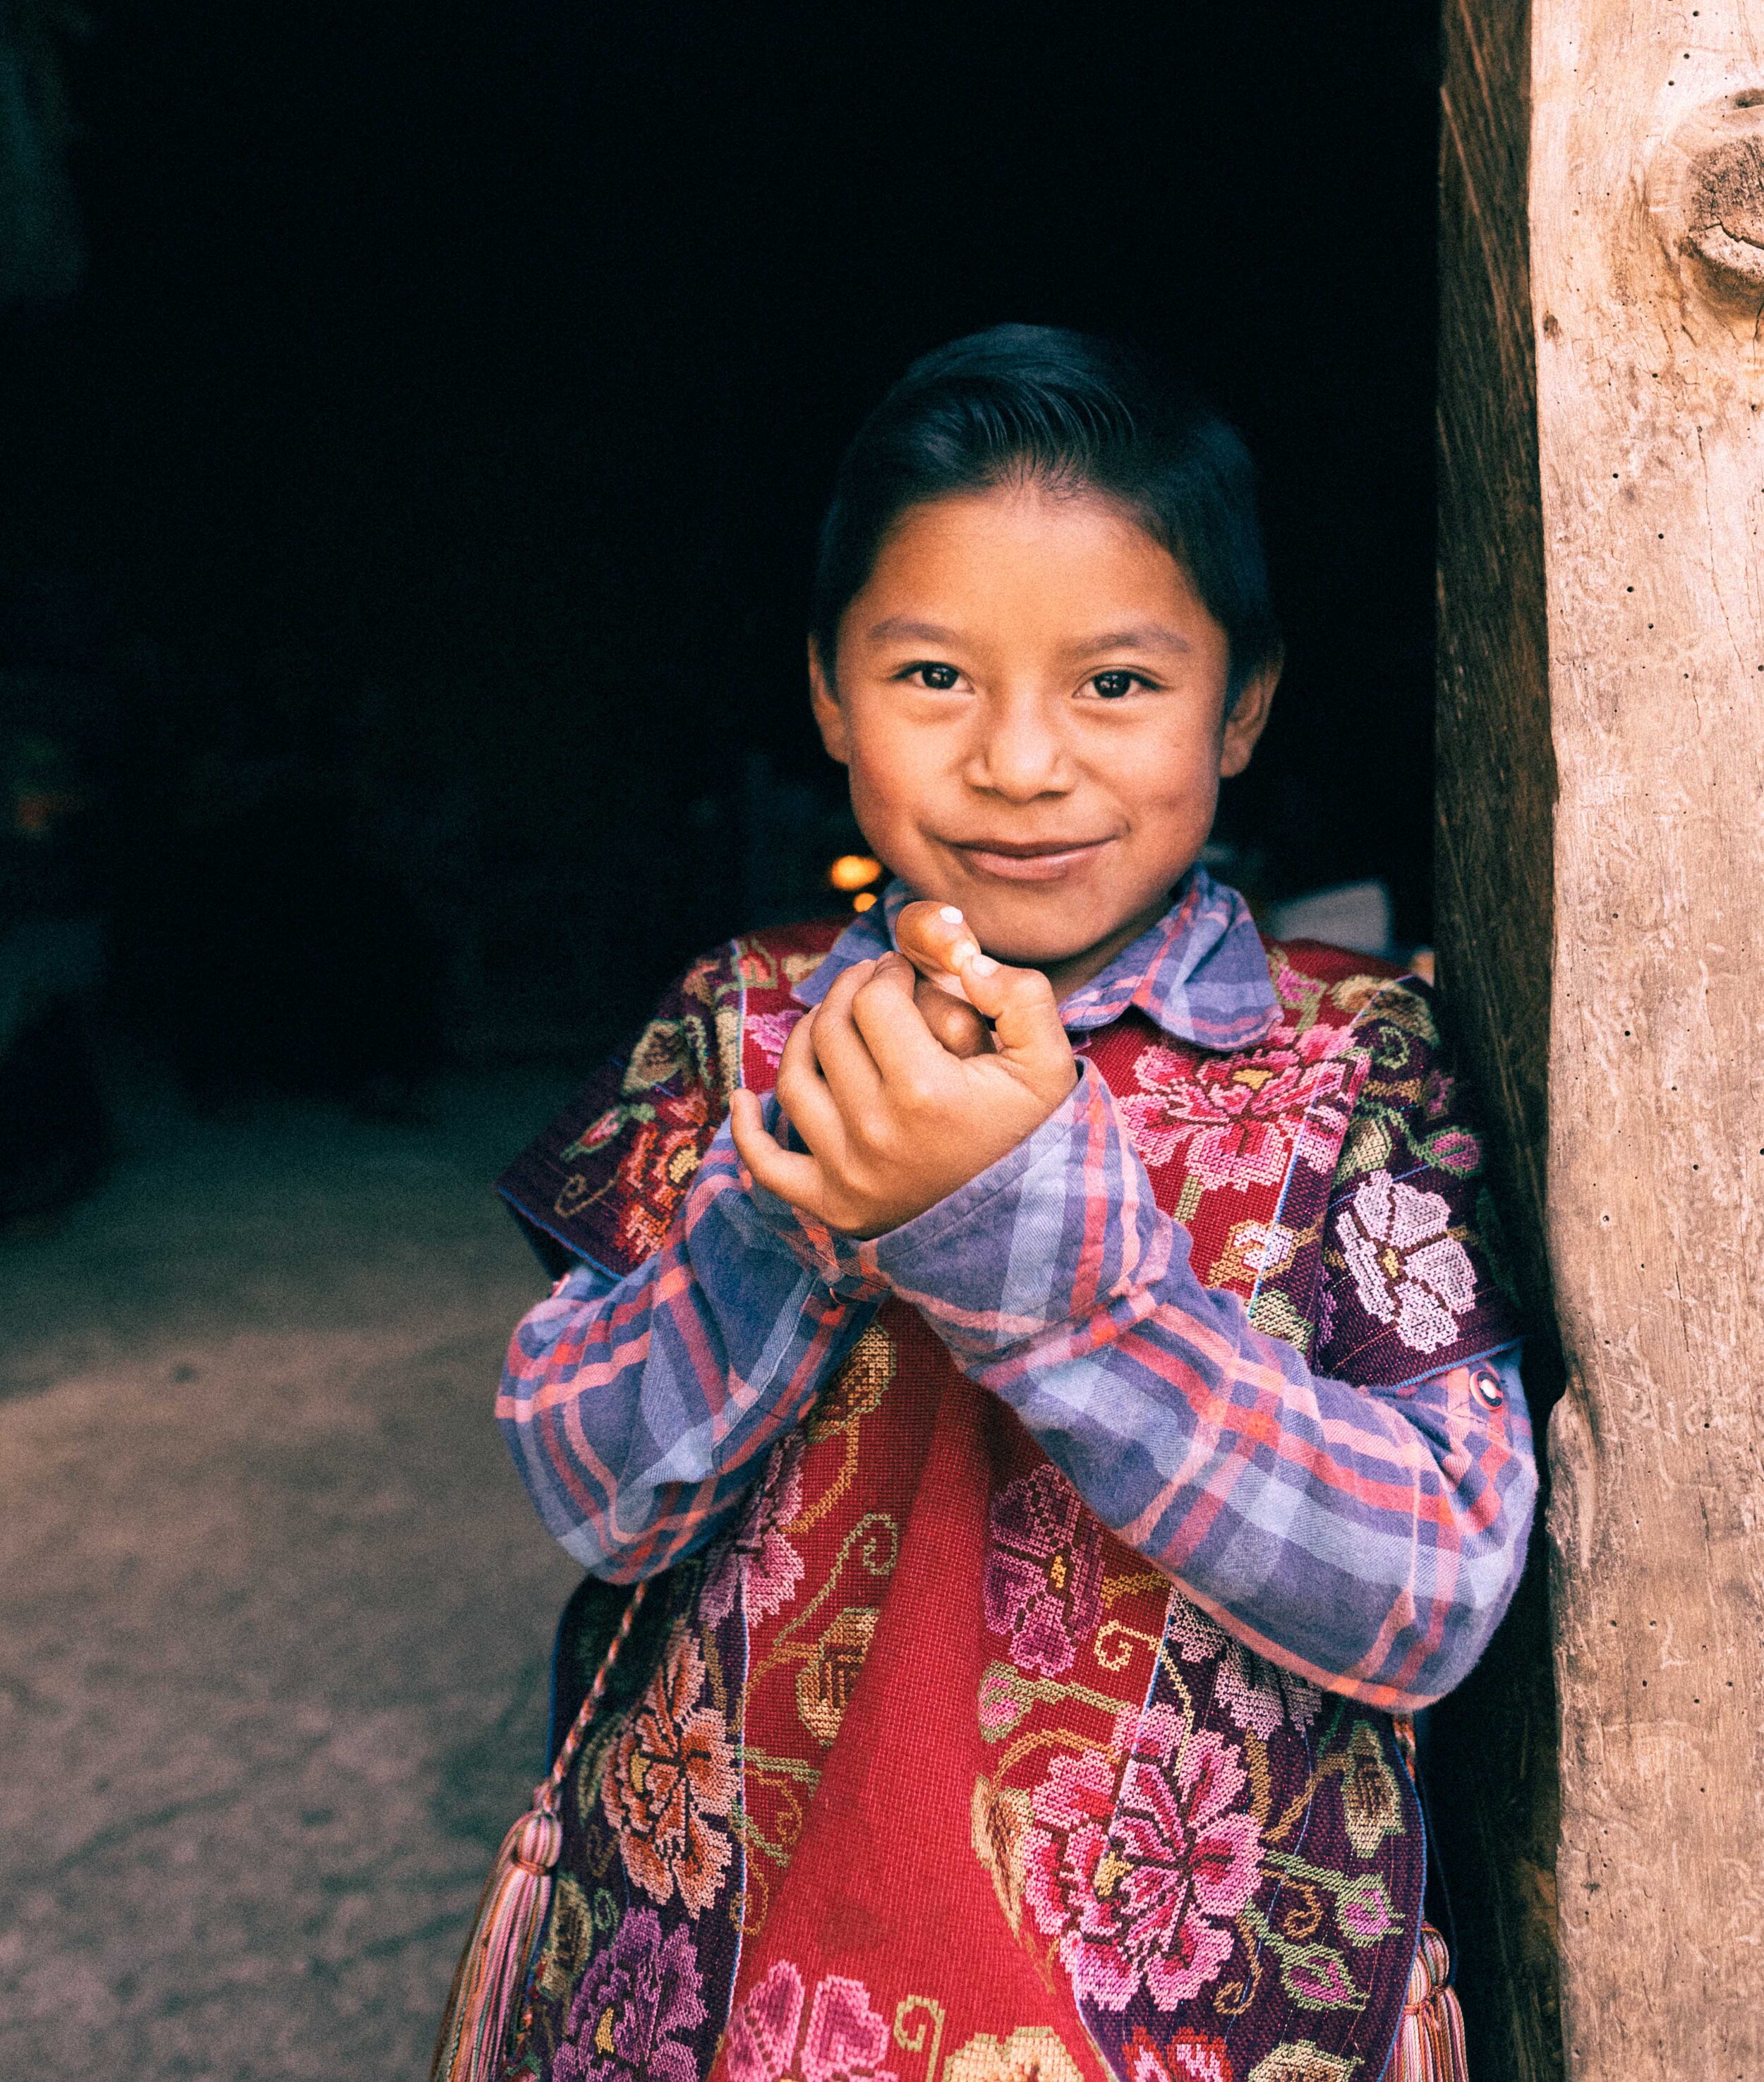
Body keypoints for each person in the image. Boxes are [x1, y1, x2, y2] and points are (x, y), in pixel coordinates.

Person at [466, 329, 1534, 2082]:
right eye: (932, 676)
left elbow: (1423, 1597)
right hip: (719, 1969)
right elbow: (586, 1489)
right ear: (824, 690)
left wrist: (1035, 1264)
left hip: (1156, 2017)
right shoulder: (744, 1022)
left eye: (1115, 683)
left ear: (1240, 703)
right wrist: (795, 1210)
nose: (1020, 763)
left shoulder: (1352, 1060)